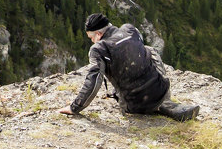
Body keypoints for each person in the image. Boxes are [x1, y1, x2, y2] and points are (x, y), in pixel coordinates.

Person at [58, 13, 199, 121]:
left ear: (99, 34)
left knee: (146, 52)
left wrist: (74, 107)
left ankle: (152, 104)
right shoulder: (130, 30)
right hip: (160, 90)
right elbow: (137, 55)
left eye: (91, 38)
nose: (92, 41)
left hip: (134, 105)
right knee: (149, 50)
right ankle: (163, 101)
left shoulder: (99, 48)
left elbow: (94, 81)